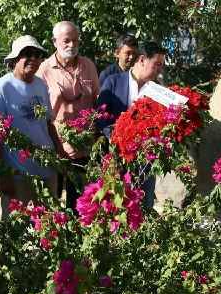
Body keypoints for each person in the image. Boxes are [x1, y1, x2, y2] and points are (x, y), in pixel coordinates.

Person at [0, 35, 64, 215]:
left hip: (47, 169)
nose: (33, 59)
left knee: (48, 224)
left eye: (37, 55)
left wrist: (60, 155)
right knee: (18, 227)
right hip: (18, 174)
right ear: (15, 59)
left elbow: (48, 123)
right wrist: (2, 175)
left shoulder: (40, 85)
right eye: (27, 54)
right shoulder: (2, 89)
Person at [96, 41, 167, 209]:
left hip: (145, 163)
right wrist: (119, 139)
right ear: (142, 60)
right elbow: (101, 118)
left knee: (143, 208)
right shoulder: (113, 82)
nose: (160, 69)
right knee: (114, 208)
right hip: (116, 158)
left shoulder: (158, 91)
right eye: (157, 64)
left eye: (162, 65)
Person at [37, 21, 99, 208]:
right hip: (57, 146)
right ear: (54, 42)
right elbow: (40, 112)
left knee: (81, 203)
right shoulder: (44, 70)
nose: (72, 45)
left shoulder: (88, 65)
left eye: (75, 40)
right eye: (66, 41)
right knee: (53, 201)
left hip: (85, 148)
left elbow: (97, 99)